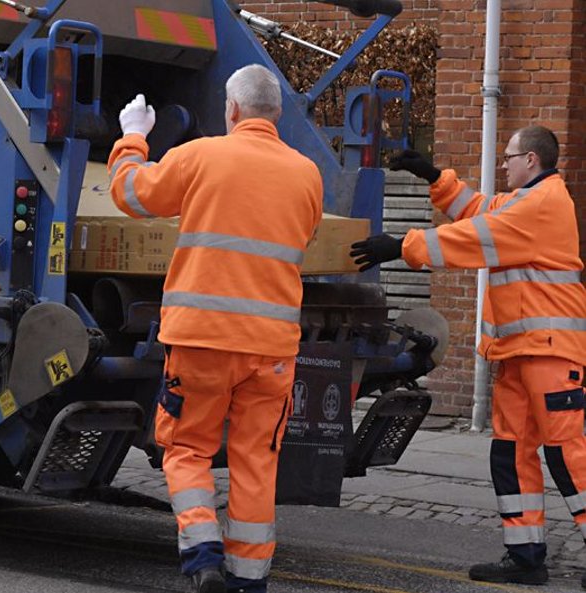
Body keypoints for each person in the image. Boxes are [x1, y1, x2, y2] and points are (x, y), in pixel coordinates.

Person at [107, 64, 323, 593]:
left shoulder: (200, 156)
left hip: (201, 340)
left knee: (186, 449)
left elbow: (131, 196)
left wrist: (133, 135)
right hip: (271, 348)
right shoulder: (307, 174)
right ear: (275, 114)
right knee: (256, 459)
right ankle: (249, 579)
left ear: (231, 110)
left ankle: (203, 556)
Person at [351, 125, 586, 587]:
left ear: (532, 161)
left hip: (550, 355)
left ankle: (531, 554)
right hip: (521, 355)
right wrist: (434, 177)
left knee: (568, 457)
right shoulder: (526, 201)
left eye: (509, 157)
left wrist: (401, 245)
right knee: (510, 453)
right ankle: (525, 556)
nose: (503, 164)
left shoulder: (541, 204)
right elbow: (479, 209)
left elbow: (475, 236)